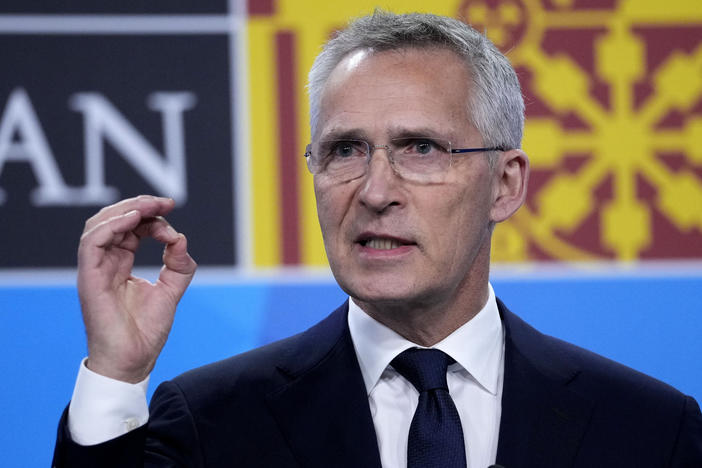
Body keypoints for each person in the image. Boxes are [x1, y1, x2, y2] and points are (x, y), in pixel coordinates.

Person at [53, 11, 701, 468]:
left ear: (504, 184)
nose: (374, 190)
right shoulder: (211, 420)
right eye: (344, 150)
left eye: (420, 148)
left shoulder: (649, 429)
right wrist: (117, 372)